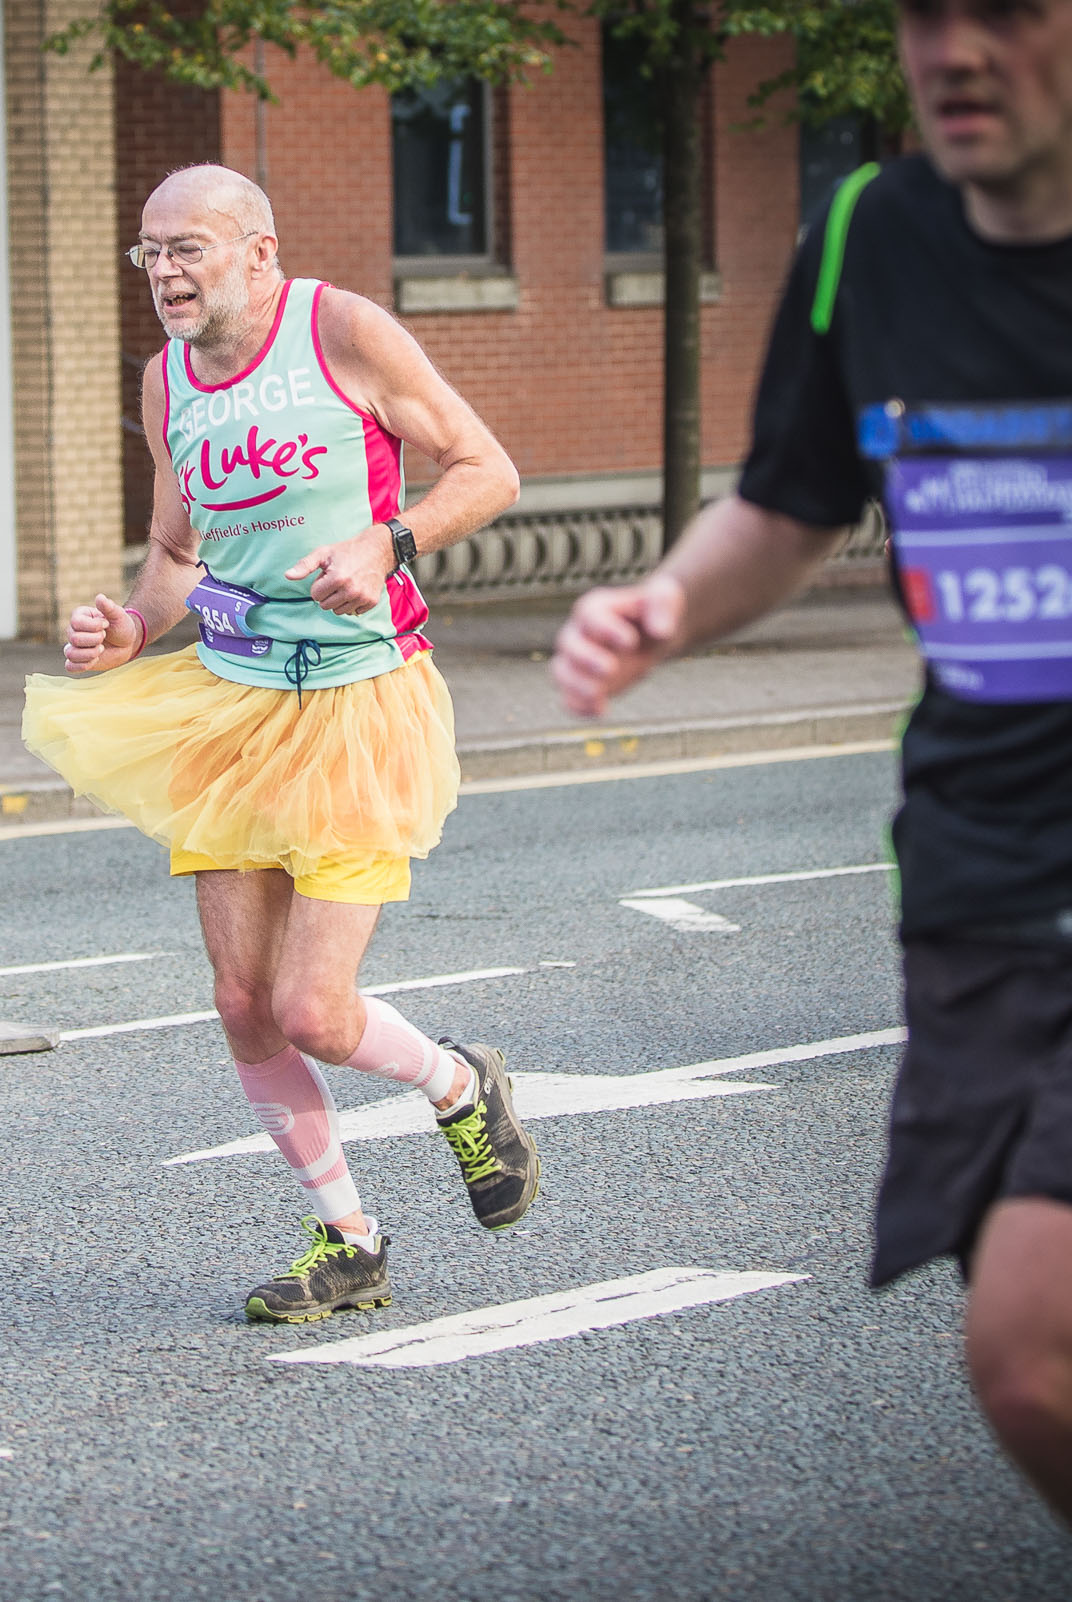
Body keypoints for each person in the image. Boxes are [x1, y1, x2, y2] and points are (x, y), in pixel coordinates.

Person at [550, 0, 1072, 1523]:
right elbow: (791, 499)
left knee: (1032, 1336)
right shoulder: (867, 235)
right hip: (984, 873)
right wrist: (667, 603)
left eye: (1004, 11)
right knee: (1030, 1362)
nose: (953, 50)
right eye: (924, 12)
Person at [23, 164, 536, 1323]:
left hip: (361, 701)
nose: (163, 273)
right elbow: (178, 554)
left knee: (313, 1009)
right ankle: (349, 1241)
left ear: (259, 253)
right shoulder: (167, 381)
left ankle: (458, 1082)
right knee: (242, 1000)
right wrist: (131, 626)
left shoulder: (341, 331)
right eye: (149, 252)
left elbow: (489, 471)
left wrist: (388, 543)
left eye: (187, 249)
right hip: (233, 703)